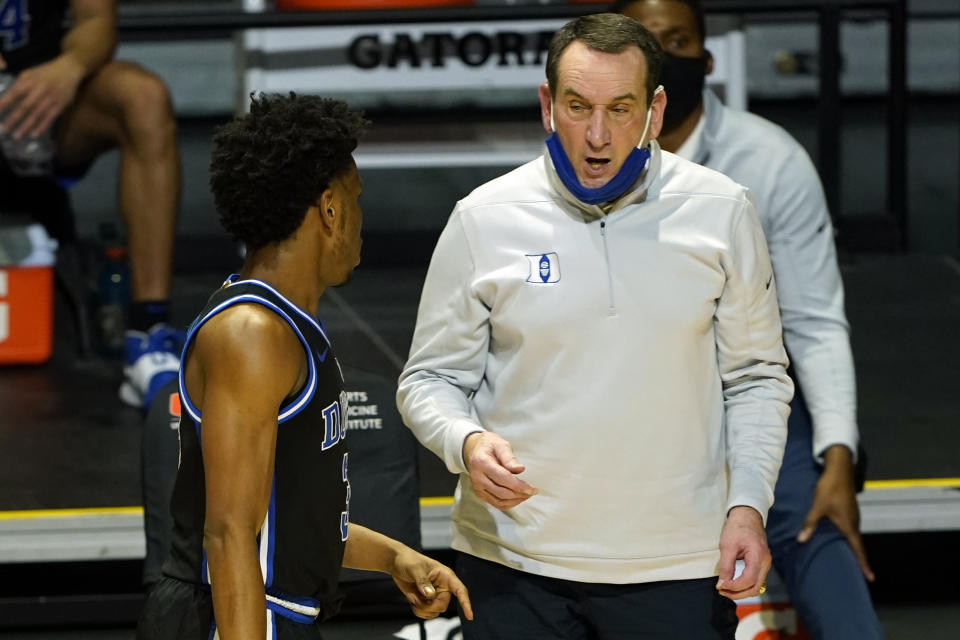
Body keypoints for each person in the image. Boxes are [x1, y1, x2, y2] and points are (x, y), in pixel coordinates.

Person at [397, 13, 793, 639]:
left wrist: (747, 505)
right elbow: (429, 379)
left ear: (655, 111)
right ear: (547, 105)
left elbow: (756, 379)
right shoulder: (484, 217)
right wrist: (465, 443)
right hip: (513, 562)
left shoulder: (722, 211)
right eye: (579, 107)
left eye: (621, 108)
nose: (598, 135)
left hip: (676, 563)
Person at [137, 93, 472, 639]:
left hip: (267, 611)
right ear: (330, 208)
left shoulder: (280, 326)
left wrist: (392, 557)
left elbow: (287, 521)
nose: (362, 217)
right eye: (356, 197)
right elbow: (228, 535)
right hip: (235, 619)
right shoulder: (251, 333)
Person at [611, 1, 884, 637]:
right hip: (629, 420)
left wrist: (838, 456)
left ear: (705, 61)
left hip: (753, 409)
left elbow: (814, 320)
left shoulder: (771, 162)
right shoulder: (581, 160)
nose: (662, 55)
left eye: (676, 41)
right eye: (645, 41)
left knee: (827, 550)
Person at [0, 0, 181, 409]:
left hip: (42, 104)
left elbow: (96, 20)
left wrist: (68, 68)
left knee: (143, 97)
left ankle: (147, 333)